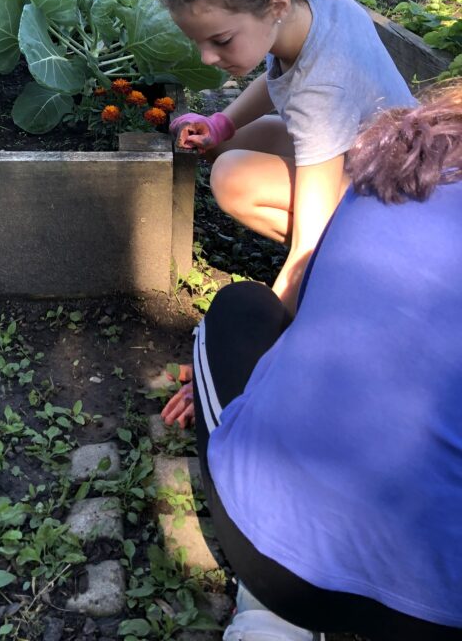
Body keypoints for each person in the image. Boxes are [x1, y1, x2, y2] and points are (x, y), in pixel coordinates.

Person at [161, 81, 462, 640]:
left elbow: (311, 313)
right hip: (443, 605)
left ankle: (267, 615)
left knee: (240, 307)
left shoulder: (404, 155)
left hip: (282, 565)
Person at [165, 0, 413, 311]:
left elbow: (307, 240)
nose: (207, 58)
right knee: (227, 145)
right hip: (368, 149)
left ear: (276, 5)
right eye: (200, 43)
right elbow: (283, 75)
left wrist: (270, 337)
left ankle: (359, 266)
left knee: (232, 178)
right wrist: (222, 123)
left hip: (395, 195)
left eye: (221, 40)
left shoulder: (324, 89)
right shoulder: (300, 0)